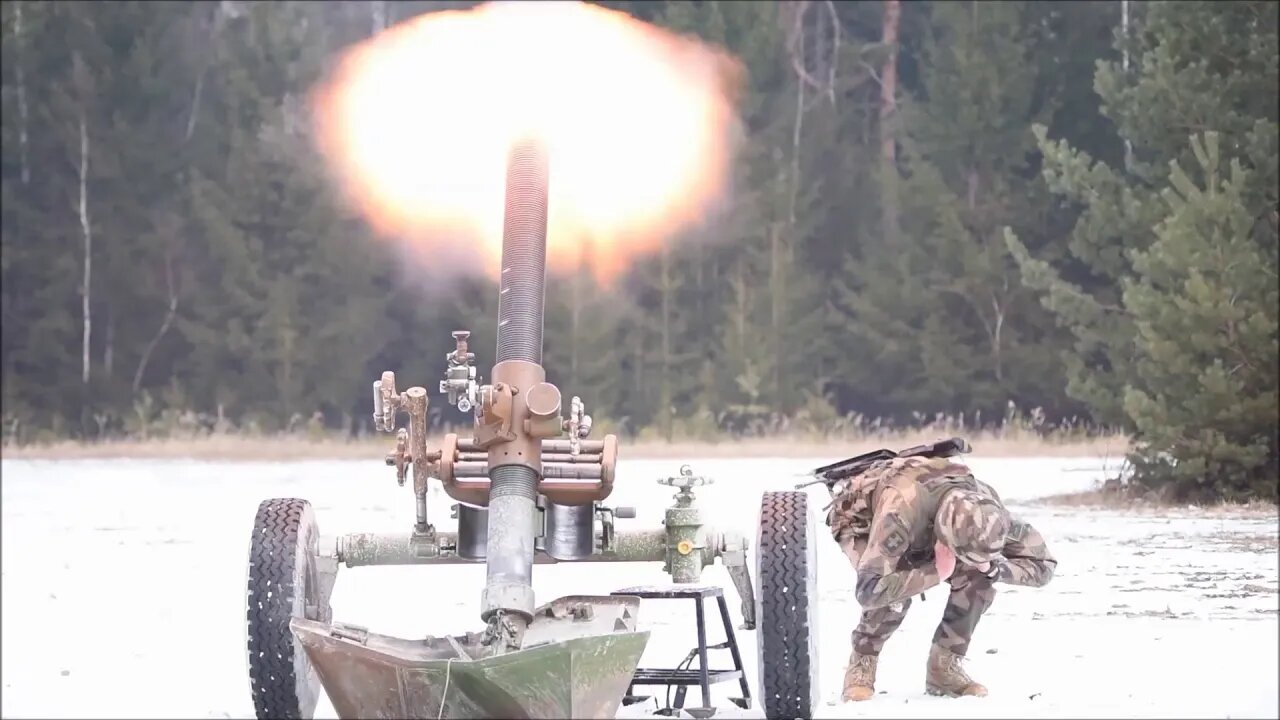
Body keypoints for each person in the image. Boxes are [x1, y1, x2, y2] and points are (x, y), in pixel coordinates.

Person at [823, 453, 1057, 701]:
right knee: (894, 590)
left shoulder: (988, 515)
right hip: (862, 520)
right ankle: (862, 664)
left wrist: (993, 569)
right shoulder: (900, 511)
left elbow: (1043, 565)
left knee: (979, 579)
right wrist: (935, 572)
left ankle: (943, 669)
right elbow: (869, 590)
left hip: (929, 531)